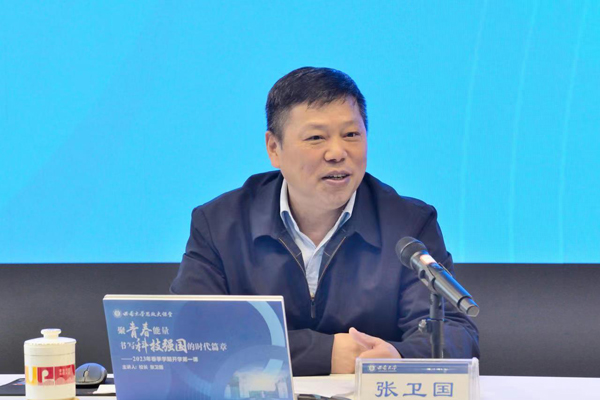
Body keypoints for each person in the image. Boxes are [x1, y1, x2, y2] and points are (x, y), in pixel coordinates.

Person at [170, 67, 479, 376]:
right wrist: (326, 354)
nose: (337, 153)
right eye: (316, 138)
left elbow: (454, 333)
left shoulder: (408, 224)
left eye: (351, 135)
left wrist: (398, 356)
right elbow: (192, 334)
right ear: (274, 148)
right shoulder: (221, 224)